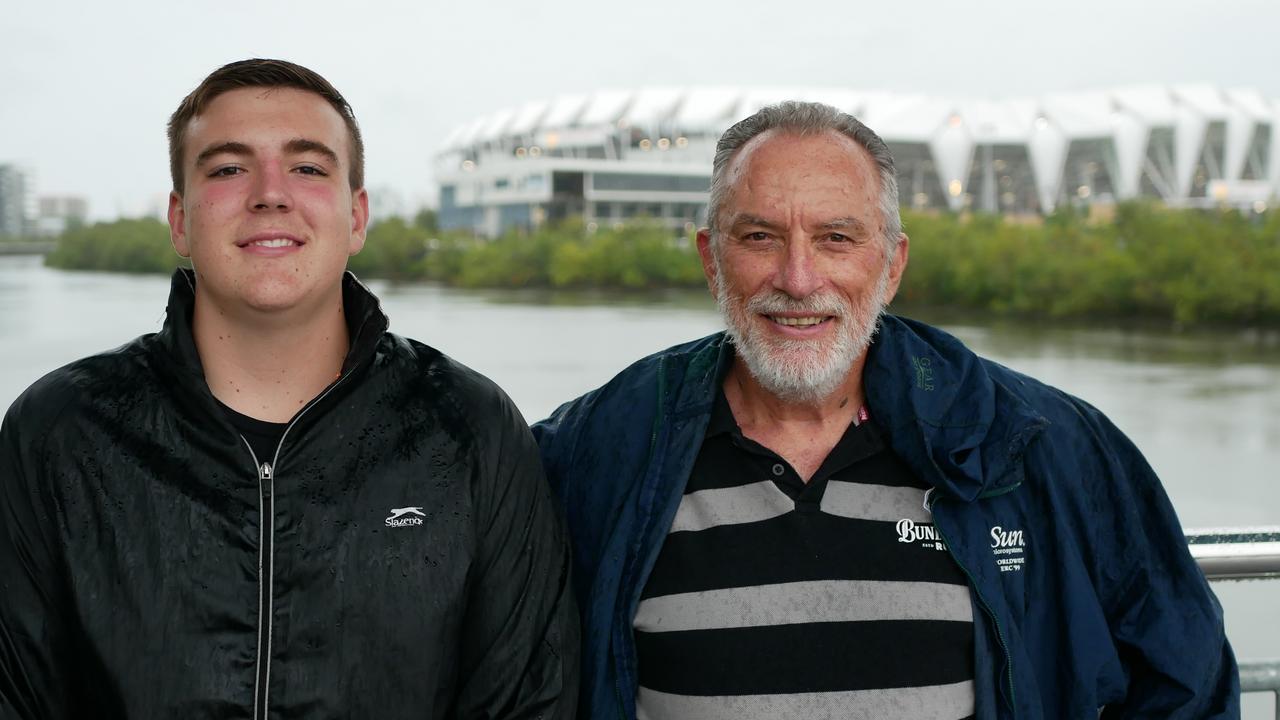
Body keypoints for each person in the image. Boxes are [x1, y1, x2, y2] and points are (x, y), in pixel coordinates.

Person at [534, 101, 1238, 719]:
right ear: (711, 261)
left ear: (893, 265)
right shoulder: (600, 450)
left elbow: (1187, 682)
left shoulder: (1039, 446)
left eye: (836, 237)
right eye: (759, 238)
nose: (799, 278)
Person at [0, 58, 577, 719]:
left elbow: (532, 701)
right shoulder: (63, 432)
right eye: (226, 168)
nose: (270, 193)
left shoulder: (469, 429)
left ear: (357, 217)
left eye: (307, 167)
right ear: (180, 219)